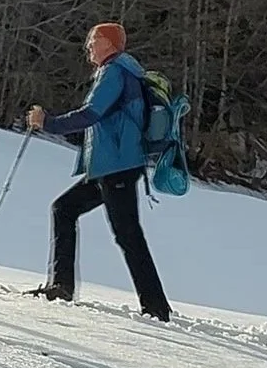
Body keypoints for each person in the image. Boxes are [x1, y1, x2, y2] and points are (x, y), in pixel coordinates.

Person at [25, 20, 171, 321]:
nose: (88, 46)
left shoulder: (114, 71)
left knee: (127, 234)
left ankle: (156, 308)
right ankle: (61, 286)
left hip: (117, 165)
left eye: (93, 40)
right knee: (64, 209)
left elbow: (92, 114)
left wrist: (48, 123)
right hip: (112, 165)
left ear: (108, 43)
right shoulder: (123, 70)